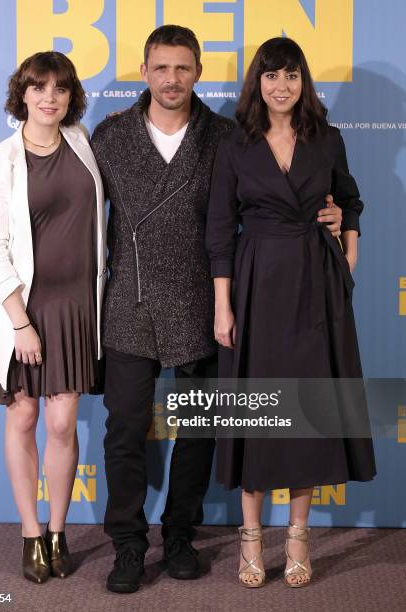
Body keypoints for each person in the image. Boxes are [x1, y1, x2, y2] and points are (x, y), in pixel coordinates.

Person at [91, 26, 343, 594]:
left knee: (199, 430)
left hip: (204, 302)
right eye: (161, 67)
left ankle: (179, 535)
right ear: (144, 71)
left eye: (183, 68)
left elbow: (264, 206)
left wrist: (331, 215)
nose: (172, 79)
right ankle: (129, 546)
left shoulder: (228, 137)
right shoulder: (108, 137)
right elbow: (77, 216)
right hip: (129, 305)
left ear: (198, 71)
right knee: (125, 431)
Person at [206, 37, 376, 589]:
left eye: (292, 75)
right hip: (255, 285)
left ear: (304, 82)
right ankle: (251, 537)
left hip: (316, 284)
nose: (282, 86)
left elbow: (349, 200)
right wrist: (222, 305)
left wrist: (347, 255)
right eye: (272, 75)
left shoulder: (327, 139)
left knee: (306, 408)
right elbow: (218, 233)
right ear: (257, 82)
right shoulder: (235, 145)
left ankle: (298, 535)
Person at [0, 51, 106, 584]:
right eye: (39, 87)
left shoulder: (84, 142)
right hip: (25, 309)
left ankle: (59, 530)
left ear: (71, 97)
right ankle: (30, 533)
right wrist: (20, 323)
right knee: (22, 417)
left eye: (60, 89)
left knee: (63, 422)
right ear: (22, 94)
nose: (49, 97)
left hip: (77, 306)